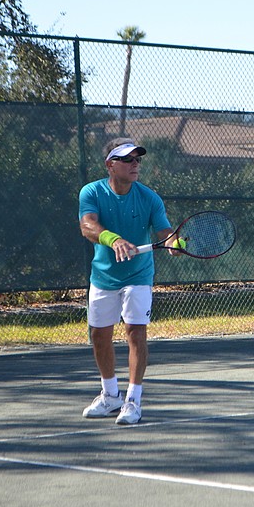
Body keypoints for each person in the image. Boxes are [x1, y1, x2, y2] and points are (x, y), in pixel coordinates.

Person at [78, 137, 179, 425]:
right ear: (110, 165)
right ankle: (110, 396)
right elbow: (88, 225)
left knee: (135, 331)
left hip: (138, 275)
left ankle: (133, 400)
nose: (135, 164)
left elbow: (165, 232)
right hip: (103, 276)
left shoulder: (149, 197)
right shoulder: (92, 192)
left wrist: (173, 241)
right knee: (99, 335)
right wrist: (114, 239)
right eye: (128, 159)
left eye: (138, 159)